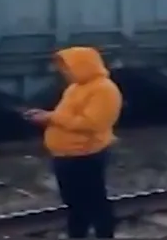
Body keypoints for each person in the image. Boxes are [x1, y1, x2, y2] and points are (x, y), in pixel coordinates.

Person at [22, 46, 123, 239]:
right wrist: (45, 116)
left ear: (83, 66)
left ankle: (105, 234)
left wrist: (50, 118)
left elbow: (91, 123)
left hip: (86, 154)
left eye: (68, 67)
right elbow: (66, 116)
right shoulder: (75, 88)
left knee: (94, 202)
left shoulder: (104, 89)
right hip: (66, 155)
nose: (64, 72)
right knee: (74, 204)